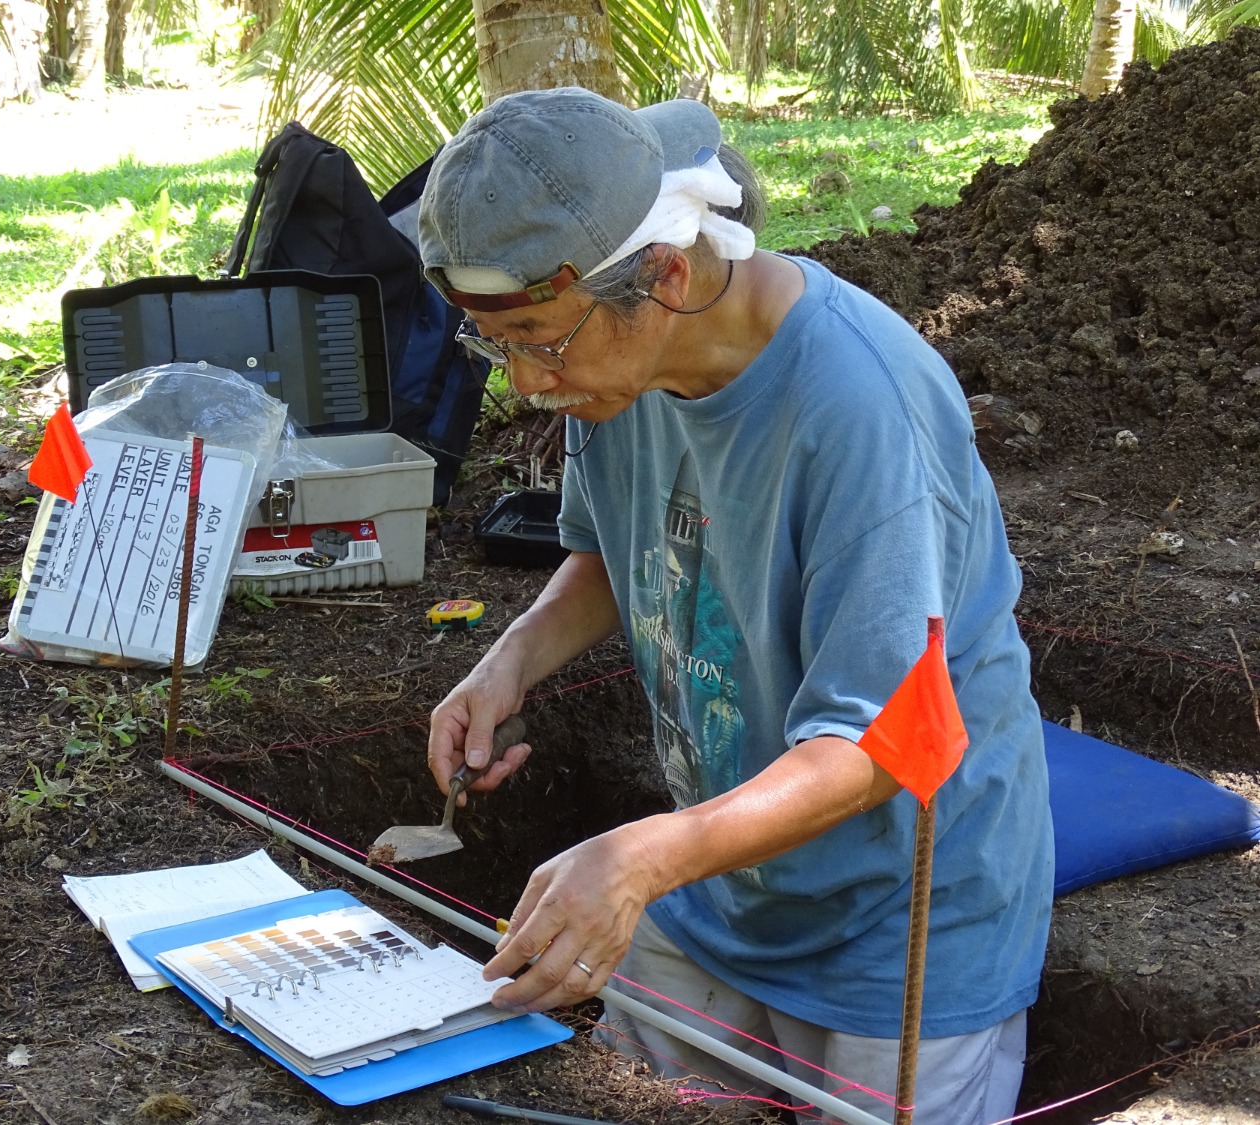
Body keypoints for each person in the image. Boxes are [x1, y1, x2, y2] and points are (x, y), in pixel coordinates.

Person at [417, 86, 1054, 1124]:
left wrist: (635, 857)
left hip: (897, 926)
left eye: (539, 339)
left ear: (664, 276)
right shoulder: (610, 369)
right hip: (720, 882)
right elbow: (614, 553)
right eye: (499, 347)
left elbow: (875, 743)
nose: (528, 382)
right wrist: (511, 665)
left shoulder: (862, 409)